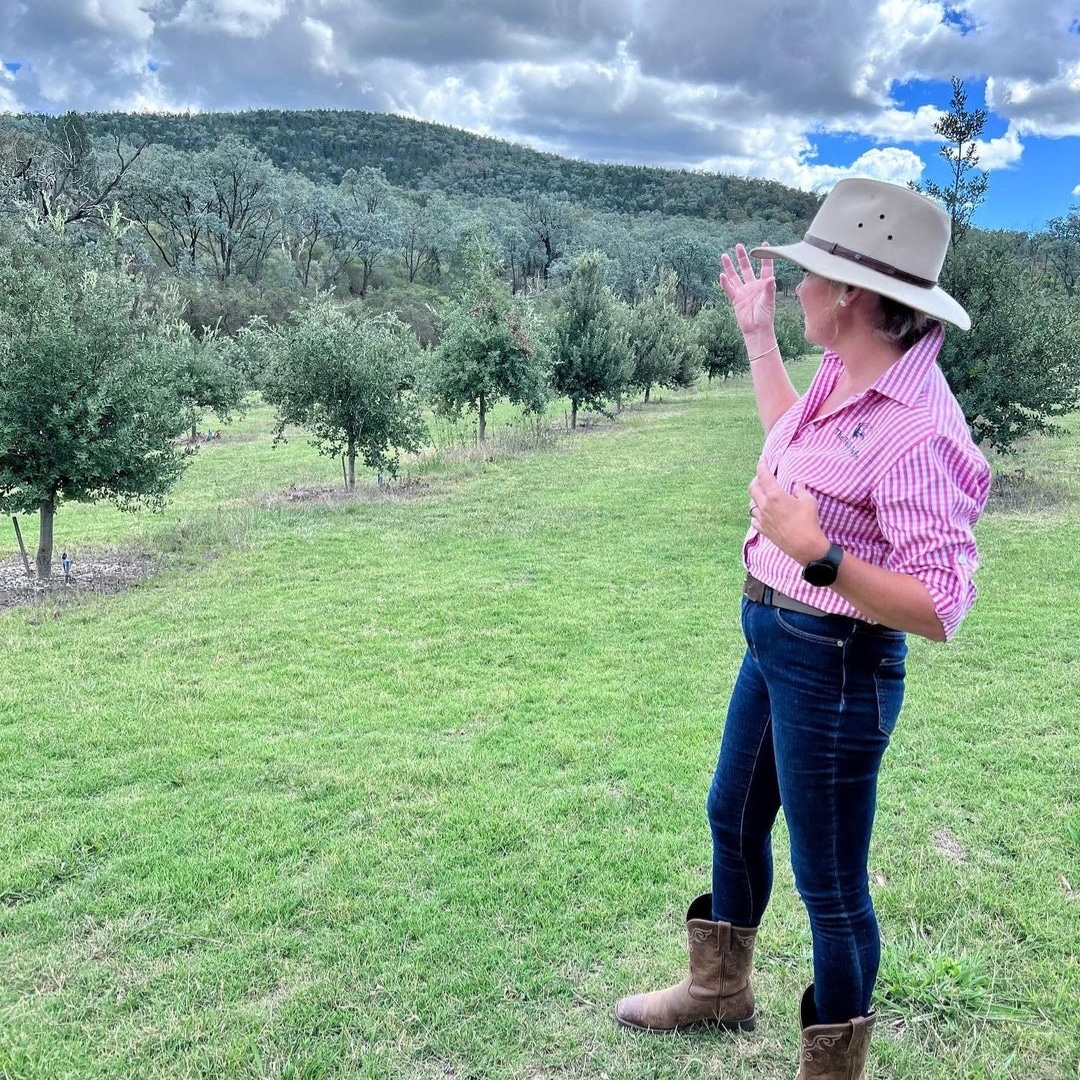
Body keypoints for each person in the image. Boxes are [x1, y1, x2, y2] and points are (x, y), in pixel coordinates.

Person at [614, 178, 991, 1079]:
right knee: (731, 814)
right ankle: (719, 990)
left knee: (829, 883)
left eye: (811, 277)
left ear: (853, 295)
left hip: (838, 660)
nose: (801, 291)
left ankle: (833, 1067)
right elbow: (796, 439)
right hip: (775, 636)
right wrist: (757, 337)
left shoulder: (920, 429)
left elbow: (941, 604)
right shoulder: (844, 372)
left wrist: (820, 556)